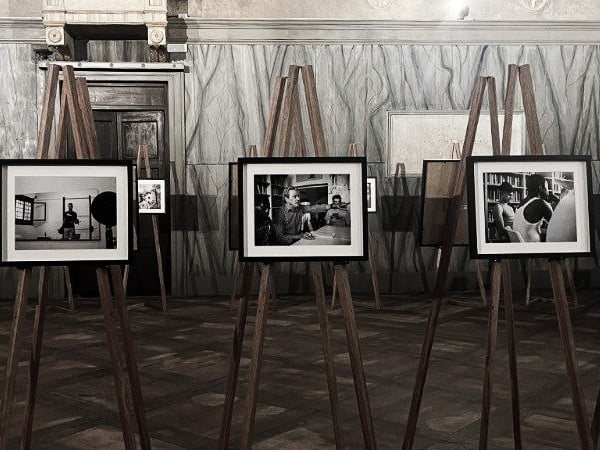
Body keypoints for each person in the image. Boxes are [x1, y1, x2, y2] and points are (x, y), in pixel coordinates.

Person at [513, 174, 553, 242]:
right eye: (547, 188)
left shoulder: (522, 202)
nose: (548, 191)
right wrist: (558, 200)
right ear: (540, 188)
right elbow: (558, 227)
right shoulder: (541, 203)